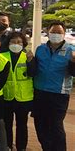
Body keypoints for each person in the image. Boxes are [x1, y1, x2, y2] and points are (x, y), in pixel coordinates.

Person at [28, 21, 75, 151]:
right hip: (40, 92)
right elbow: (35, 69)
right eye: (53, 32)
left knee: (55, 126)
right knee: (40, 125)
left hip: (59, 95)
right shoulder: (40, 49)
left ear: (64, 34)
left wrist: (73, 62)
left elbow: (73, 73)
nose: (56, 35)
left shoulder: (71, 50)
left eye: (59, 32)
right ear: (48, 33)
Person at [1, 32, 33, 151]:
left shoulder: (28, 57)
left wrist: (30, 62)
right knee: (7, 124)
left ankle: (21, 148)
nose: (16, 44)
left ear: (23, 44)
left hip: (23, 98)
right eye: (13, 41)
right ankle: (8, 146)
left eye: (19, 42)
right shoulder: (2, 56)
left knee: (22, 125)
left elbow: (33, 73)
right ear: (8, 43)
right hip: (6, 96)